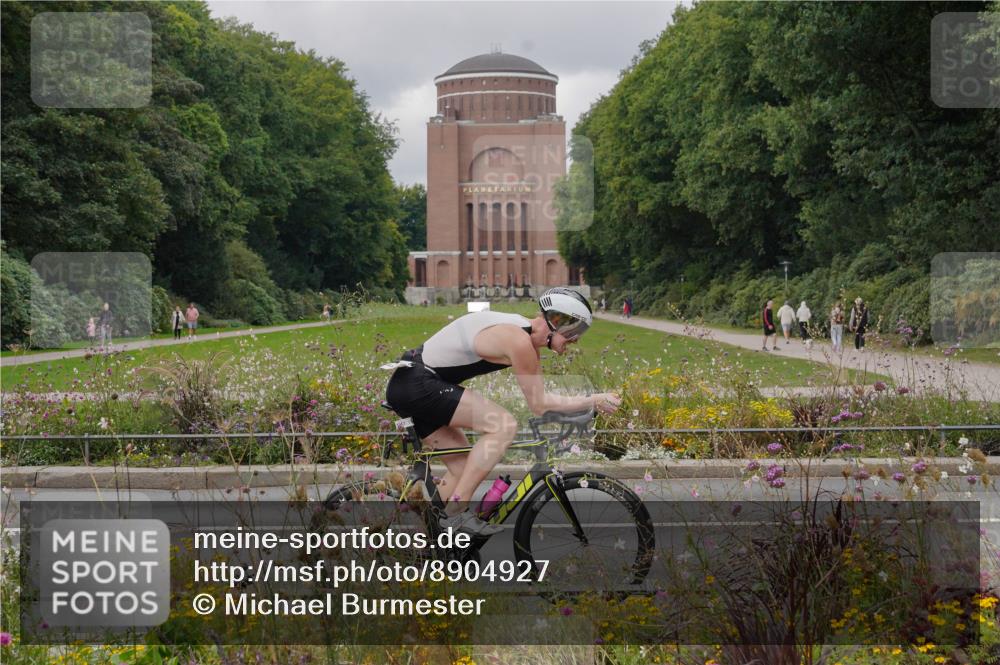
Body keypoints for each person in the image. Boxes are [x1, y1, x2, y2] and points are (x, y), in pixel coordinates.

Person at [384, 288, 620, 535]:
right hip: (419, 383)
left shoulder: (521, 335)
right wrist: (592, 400)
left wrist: (582, 404)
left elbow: (540, 401)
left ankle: (429, 542)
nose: (575, 341)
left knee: (464, 471)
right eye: (574, 333)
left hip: (412, 382)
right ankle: (455, 515)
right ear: (558, 321)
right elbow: (539, 404)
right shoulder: (518, 340)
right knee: (503, 425)